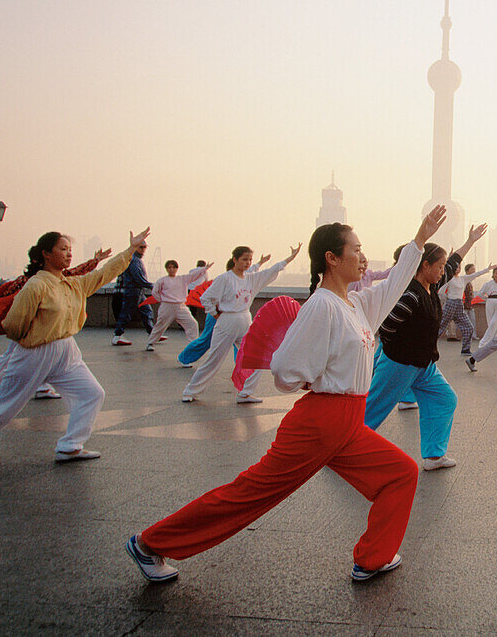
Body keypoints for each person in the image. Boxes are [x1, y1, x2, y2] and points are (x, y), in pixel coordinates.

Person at [125, 207, 447, 584]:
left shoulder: (355, 304)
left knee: (400, 473)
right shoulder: (321, 306)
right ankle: (149, 544)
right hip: (319, 424)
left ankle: (372, 558)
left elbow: (393, 284)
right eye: (356, 249)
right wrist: (307, 380)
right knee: (248, 495)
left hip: (347, 425)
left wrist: (419, 240)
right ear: (331, 258)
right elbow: (284, 368)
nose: (362, 257)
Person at [0, 229, 149, 461]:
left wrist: (130, 250)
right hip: (36, 351)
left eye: (70, 250)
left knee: (92, 394)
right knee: (4, 403)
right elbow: (13, 325)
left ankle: (70, 446)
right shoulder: (36, 285)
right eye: (63, 249)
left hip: (67, 350)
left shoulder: (72, 284)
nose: (68, 255)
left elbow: (105, 273)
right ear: (46, 254)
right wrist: (33, 340)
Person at [365, 223, 487, 470]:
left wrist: (470, 241)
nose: (444, 271)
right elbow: (386, 328)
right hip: (400, 363)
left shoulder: (431, 285)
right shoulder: (410, 294)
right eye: (439, 266)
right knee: (374, 410)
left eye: (444, 267)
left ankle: (433, 456)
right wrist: (395, 353)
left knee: (444, 399)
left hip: (424, 365)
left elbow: (454, 260)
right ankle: (343, 449)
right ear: (425, 266)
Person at [0, 249, 107, 399]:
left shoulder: (39, 279)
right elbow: (8, 303)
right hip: (29, 328)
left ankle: (40, 386)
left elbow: (74, 273)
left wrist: (95, 261)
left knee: (21, 355)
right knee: (15, 356)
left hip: (36, 328)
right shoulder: (32, 281)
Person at [181, 244, 301, 404]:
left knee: (256, 357)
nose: (247, 263)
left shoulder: (251, 278)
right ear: (235, 259)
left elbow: (271, 271)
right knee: (214, 359)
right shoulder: (225, 278)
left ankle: (245, 392)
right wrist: (216, 314)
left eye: (250, 260)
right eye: (244, 259)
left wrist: (290, 258)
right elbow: (206, 298)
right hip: (227, 321)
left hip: (245, 320)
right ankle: (190, 391)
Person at [145, 259, 212, 351]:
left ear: (177, 268)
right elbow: (155, 292)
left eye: (173, 267)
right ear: (166, 269)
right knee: (160, 325)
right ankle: (151, 343)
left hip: (181, 306)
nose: (171, 269)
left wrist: (205, 268)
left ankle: (193, 345)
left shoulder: (182, 279)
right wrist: (162, 300)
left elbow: (193, 275)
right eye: (169, 267)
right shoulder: (162, 280)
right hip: (167, 306)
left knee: (192, 324)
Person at [437, 261, 494, 356]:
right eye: (456, 267)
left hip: (459, 305)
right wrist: (446, 301)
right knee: (441, 326)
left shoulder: (463, 279)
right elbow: (441, 292)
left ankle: (465, 349)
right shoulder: (449, 279)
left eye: (459, 267)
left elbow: (475, 275)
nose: (457, 269)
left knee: (469, 327)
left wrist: (487, 269)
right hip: (450, 303)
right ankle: (428, 346)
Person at [111, 241, 154, 346]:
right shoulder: (134, 260)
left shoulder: (136, 260)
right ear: (135, 248)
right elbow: (138, 278)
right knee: (126, 313)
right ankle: (117, 335)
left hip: (138, 292)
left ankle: (153, 333)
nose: (143, 250)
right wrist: (152, 286)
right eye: (141, 247)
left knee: (147, 312)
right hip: (133, 291)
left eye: (144, 247)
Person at [476, 266, 497, 349]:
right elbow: (480, 293)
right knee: (491, 322)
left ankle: (483, 342)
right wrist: (487, 299)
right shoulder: (488, 284)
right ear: (493, 274)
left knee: (494, 322)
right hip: (490, 302)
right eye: (496, 273)